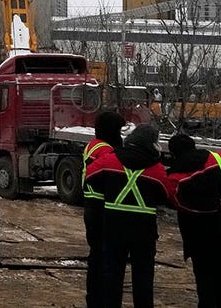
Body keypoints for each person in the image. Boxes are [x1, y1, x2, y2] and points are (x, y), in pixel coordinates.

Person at [85, 124, 174, 308]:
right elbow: (169, 195)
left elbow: (90, 176)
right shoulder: (156, 170)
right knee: (143, 280)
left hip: (113, 230)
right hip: (144, 233)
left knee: (112, 279)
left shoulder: (110, 161)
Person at [167, 134, 221, 308]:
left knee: (205, 284)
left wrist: (211, 205)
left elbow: (177, 201)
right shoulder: (216, 158)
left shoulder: (175, 173)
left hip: (198, 236)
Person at [82, 111, 126, 308]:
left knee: (96, 257)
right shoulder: (106, 151)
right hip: (101, 208)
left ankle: (93, 299)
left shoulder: (94, 145)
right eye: (119, 130)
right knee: (103, 259)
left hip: (91, 206)